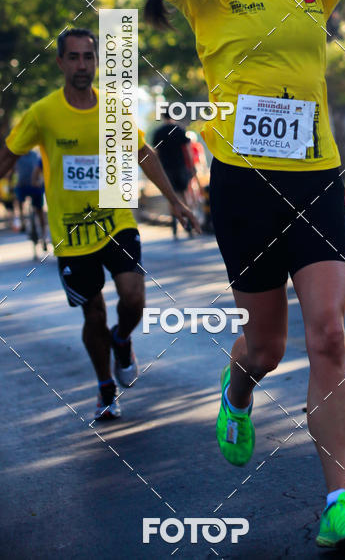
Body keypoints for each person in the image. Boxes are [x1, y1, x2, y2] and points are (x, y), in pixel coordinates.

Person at [132, 0, 345, 549]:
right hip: (245, 186)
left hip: (316, 180)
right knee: (269, 346)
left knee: (329, 336)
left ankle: (341, 503)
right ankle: (238, 387)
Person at [0, 28, 200, 420]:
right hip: (71, 229)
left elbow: (144, 154)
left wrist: (175, 202)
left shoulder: (113, 110)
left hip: (115, 217)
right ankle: (106, 386)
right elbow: (8, 155)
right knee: (93, 312)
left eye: (87, 57)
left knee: (134, 298)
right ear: (60, 62)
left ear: (97, 62)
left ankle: (122, 339)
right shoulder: (42, 114)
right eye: (73, 57)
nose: (81, 65)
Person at [151, 112, 196, 238]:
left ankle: (174, 224)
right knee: (184, 195)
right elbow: (188, 149)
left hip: (166, 169)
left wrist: (157, 170)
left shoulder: (158, 132)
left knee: (172, 197)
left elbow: (156, 153)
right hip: (180, 167)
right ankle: (189, 225)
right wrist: (191, 166)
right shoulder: (180, 130)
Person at [13, 149, 48, 250]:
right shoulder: (17, 154)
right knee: (18, 199)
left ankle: (44, 235)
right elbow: (12, 170)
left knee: (39, 209)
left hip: (35, 186)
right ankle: (22, 220)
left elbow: (40, 169)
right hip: (22, 185)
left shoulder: (35, 155)